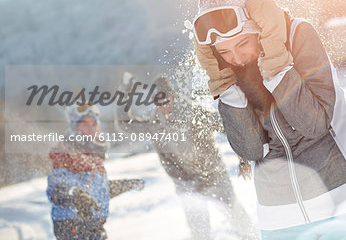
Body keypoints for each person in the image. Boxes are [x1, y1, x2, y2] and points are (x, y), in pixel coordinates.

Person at [191, 0, 346, 239]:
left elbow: (315, 122)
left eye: (243, 43)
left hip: (341, 201)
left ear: (257, 28)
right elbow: (250, 148)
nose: (236, 57)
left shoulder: (297, 35)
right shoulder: (228, 73)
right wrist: (224, 85)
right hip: (279, 218)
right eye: (224, 52)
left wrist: (275, 64)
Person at [115, 73, 257, 240]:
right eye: (157, 101)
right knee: (200, 233)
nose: (162, 105)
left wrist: (243, 159)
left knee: (240, 222)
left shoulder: (194, 114)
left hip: (213, 177)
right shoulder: (154, 124)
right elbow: (125, 126)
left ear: (172, 96)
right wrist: (124, 91)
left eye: (165, 99)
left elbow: (229, 126)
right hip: (187, 185)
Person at [47, 104, 144, 239]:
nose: (91, 129)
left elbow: (97, 191)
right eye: (85, 125)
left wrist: (126, 184)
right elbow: (55, 190)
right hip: (73, 226)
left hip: (94, 225)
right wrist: (76, 196)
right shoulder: (67, 152)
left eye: (94, 124)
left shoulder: (92, 154)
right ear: (75, 128)